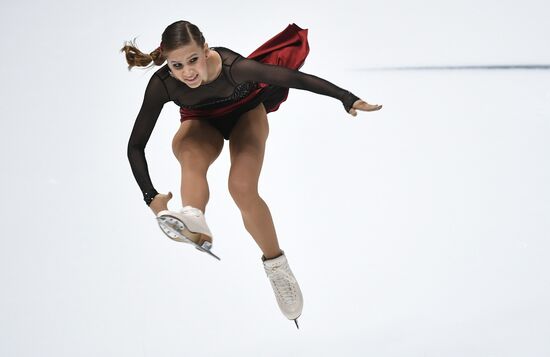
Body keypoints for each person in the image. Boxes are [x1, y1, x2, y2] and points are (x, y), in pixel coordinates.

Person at [120, 21, 382, 328]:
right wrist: (151, 197)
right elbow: (135, 145)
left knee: (242, 188)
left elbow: (295, 78)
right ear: (167, 62)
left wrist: (346, 96)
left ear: (206, 51)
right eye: (177, 65)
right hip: (201, 123)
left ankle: (277, 267)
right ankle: (193, 216)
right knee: (189, 153)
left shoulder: (235, 67)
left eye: (193, 60)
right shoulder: (163, 83)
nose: (187, 72)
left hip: (246, 115)